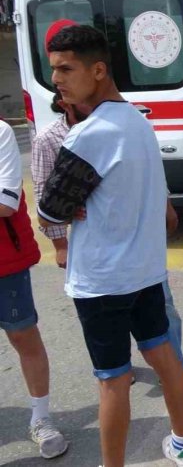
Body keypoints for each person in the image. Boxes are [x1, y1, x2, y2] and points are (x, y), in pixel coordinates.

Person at [38, 24, 183, 467]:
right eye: (54, 70)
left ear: (98, 70)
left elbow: (49, 212)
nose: (57, 80)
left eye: (65, 69)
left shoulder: (89, 134)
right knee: (164, 357)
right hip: (146, 271)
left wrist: (80, 206)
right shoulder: (139, 122)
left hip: (102, 281)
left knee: (113, 380)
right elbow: (164, 212)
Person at [31, 91, 183, 391]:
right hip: (99, 252)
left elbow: (150, 167)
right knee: (112, 332)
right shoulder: (51, 139)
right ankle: (121, 369)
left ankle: (175, 367)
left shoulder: (124, 123)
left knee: (164, 310)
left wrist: (164, 204)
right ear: (64, 103)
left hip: (138, 244)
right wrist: (60, 244)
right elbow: (43, 193)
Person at [0, 122, 69, 460]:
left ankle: (41, 418)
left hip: (4, 262)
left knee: (23, 337)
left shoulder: (0, 133)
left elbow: (6, 202)